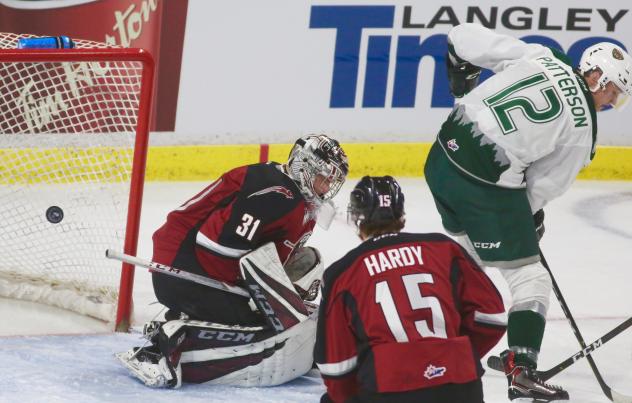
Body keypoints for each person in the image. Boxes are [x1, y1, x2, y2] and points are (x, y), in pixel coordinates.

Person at [424, 23, 632, 401]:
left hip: (441, 158)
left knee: (467, 256)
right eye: (613, 91)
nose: (610, 102)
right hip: (480, 182)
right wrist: (527, 218)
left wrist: (461, 81)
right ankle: (522, 368)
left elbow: (461, 36)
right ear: (598, 77)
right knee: (530, 277)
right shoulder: (583, 131)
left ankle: (421, 333)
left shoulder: (542, 56)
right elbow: (540, 189)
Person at [117, 134, 349, 388]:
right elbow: (215, 245)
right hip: (182, 267)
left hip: (205, 271)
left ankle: (184, 320)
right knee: (254, 326)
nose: (327, 187)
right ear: (304, 167)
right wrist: (254, 296)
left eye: (331, 181)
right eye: (323, 177)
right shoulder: (274, 192)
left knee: (298, 275)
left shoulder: (300, 201)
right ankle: (164, 345)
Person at [314, 176, 506, 403]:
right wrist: (452, 355)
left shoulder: (343, 273)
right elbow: (493, 317)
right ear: (400, 215)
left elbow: (336, 368)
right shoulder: (444, 248)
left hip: (390, 387)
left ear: (357, 219)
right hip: (460, 382)